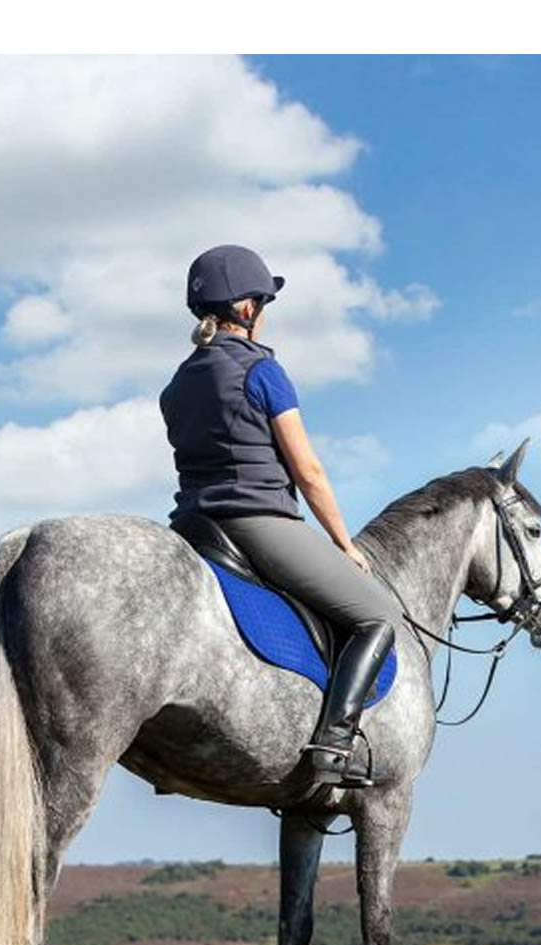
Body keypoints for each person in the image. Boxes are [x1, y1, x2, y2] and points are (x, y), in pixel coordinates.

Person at [160, 244, 398, 789]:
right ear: (246, 309)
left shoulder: (176, 385)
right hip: (257, 523)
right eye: (263, 302)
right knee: (378, 617)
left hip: (195, 528)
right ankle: (334, 747)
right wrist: (346, 544)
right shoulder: (263, 371)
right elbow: (308, 471)